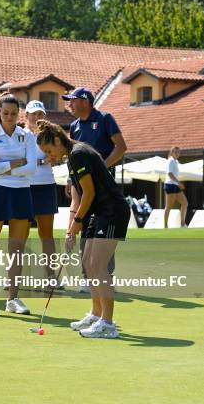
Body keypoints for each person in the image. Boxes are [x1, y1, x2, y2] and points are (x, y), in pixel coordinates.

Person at [37, 119, 129, 339]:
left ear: (58, 140)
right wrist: (71, 229)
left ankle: (108, 323)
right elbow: (78, 197)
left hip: (112, 210)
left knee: (98, 265)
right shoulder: (73, 156)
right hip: (100, 212)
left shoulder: (79, 153)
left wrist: (78, 221)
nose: (49, 157)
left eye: (49, 150)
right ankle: (96, 315)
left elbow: (89, 193)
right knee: (88, 262)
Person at [63, 87, 127, 290]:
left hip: (104, 183)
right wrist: (70, 178)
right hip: (82, 181)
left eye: (72, 101)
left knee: (104, 226)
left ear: (85, 101)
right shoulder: (74, 126)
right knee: (85, 223)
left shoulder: (105, 118)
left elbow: (121, 147)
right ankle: (87, 275)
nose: (69, 104)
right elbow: (72, 154)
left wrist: (101, 168)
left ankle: (105, 275)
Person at [0, 93, 36, 316]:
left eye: (13, 113)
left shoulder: (27, 136)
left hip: (21, 192)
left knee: (17, 250)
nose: (10, 117)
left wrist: (2, 163)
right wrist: (15, 162)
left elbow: (31, 169)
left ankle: (13, 298)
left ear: (19, 114)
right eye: (5, 113)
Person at [24, 100, 61, 289]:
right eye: (33, 114)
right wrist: (40, 161)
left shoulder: (52, 136)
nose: (37, 118)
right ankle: (13, 276)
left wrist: (45, 160)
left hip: (46, 185)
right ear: (26, 116)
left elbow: (56, 157)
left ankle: (50, 275)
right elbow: (21, 160)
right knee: (19, 234)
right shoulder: (20, 135)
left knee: (46, 234)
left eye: (40, 114)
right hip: (23, 187)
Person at [164, 146, 188, 228]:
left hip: (175, 185)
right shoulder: (170, 161)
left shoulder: (175, 161)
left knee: (185, 203)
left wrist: (178, 183)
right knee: (169, 206)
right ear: (172, 152)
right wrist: (179, 183)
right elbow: (170, 174)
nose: (178, 153)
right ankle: (165, 226)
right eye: (176, 152)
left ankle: (182, 224)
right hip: (170, 185)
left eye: (179, 152)